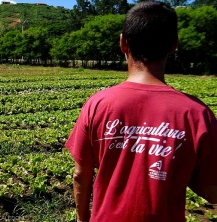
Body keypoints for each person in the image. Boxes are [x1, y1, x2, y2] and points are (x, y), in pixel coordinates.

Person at [65, 1, 217, 222]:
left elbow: (81, 175)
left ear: (123, 43)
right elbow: (211, 192)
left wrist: (81, 217)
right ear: (174, 45)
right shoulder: (197, 114)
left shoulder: (98, 104)